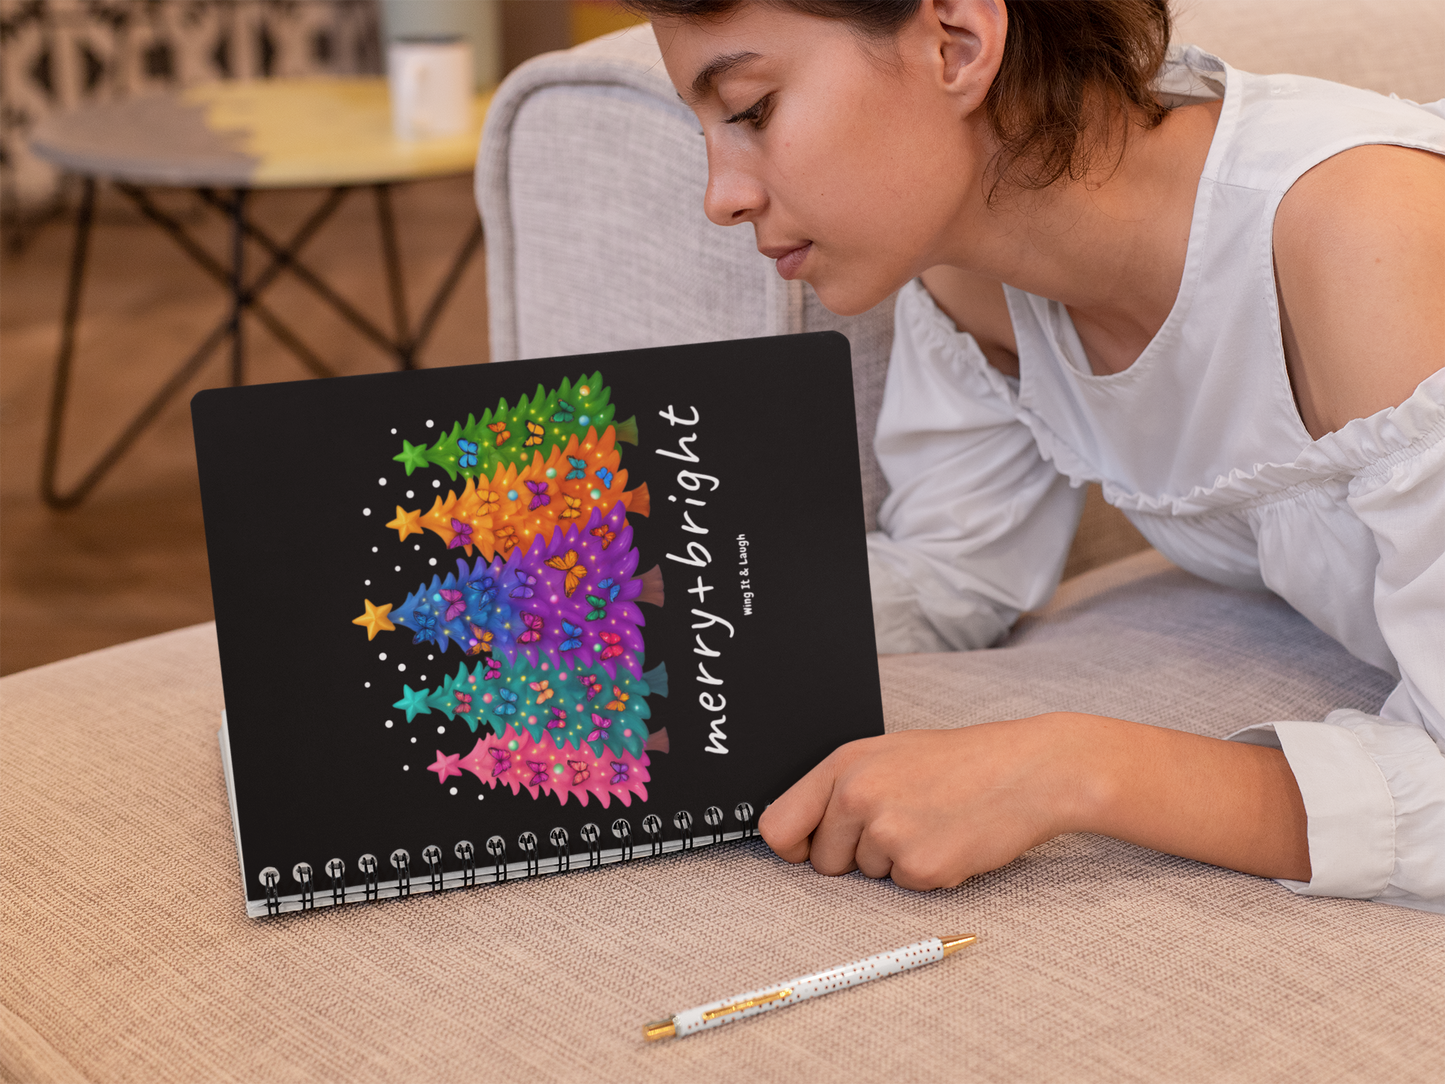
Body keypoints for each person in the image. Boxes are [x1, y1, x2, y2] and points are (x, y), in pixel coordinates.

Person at [623, 0, 1445, 911]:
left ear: (957, 44)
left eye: (750, 109)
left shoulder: (1372, 235)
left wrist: (1066, 769)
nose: (720, 196)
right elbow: (954, 572)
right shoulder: (968, 279)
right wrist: (634, 622)